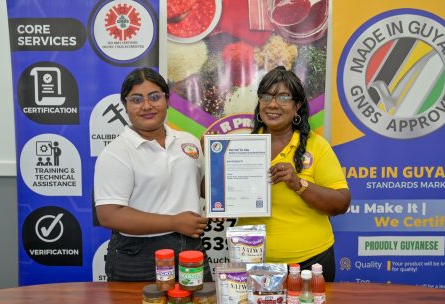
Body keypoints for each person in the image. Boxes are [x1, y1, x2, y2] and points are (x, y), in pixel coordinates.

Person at [94, 67, 211, 282]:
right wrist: (175, 222)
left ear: (167, 100)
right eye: (136, 99)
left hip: (190, 248)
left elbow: (204, 189)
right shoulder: (117, 152)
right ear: (126, 106)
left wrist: (219, 159)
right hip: (138, 256)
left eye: (155, 97)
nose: (147, 106)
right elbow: (109, 215)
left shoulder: (189, 141)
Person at [236, 66, 351, 281]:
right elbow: (212, 193)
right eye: (266, 96)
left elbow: (341, 203)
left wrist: (298, 184)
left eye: (283, 97)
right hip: (251, 261)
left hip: (310, 262)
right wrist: (215, 162)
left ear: (297, 106)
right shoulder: (242, 144)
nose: (272, 104)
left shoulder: (317, 146)